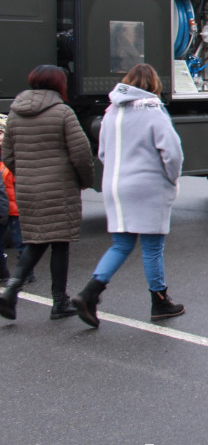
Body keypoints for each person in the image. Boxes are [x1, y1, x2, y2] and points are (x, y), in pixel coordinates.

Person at [73, 64, 185, 327]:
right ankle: (159, 301)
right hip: (148, 186)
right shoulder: (153, 110)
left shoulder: (112, 111)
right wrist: (171, 177)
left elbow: (102, 153)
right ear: (153, 84)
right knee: (152, 248)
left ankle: (90, 292)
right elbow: (172, 152)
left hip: (116, 185)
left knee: (121, 244)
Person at [0, 65, 95, 320]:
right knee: (60, 244)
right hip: (60, 188)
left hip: (28, 189)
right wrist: (85, 180)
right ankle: (59, 301)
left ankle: (11, 291)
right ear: (59, 84)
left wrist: (27, 174)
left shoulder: (16, 113)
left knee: (36, 240)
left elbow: (7, 154)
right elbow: (81, 153)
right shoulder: (62, 112)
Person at [0, 114, 32, 283]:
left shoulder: (12, 160)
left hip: (15, 209)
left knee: (21, 242)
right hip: (4, 208)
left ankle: (26, 272)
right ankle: (4, 273)